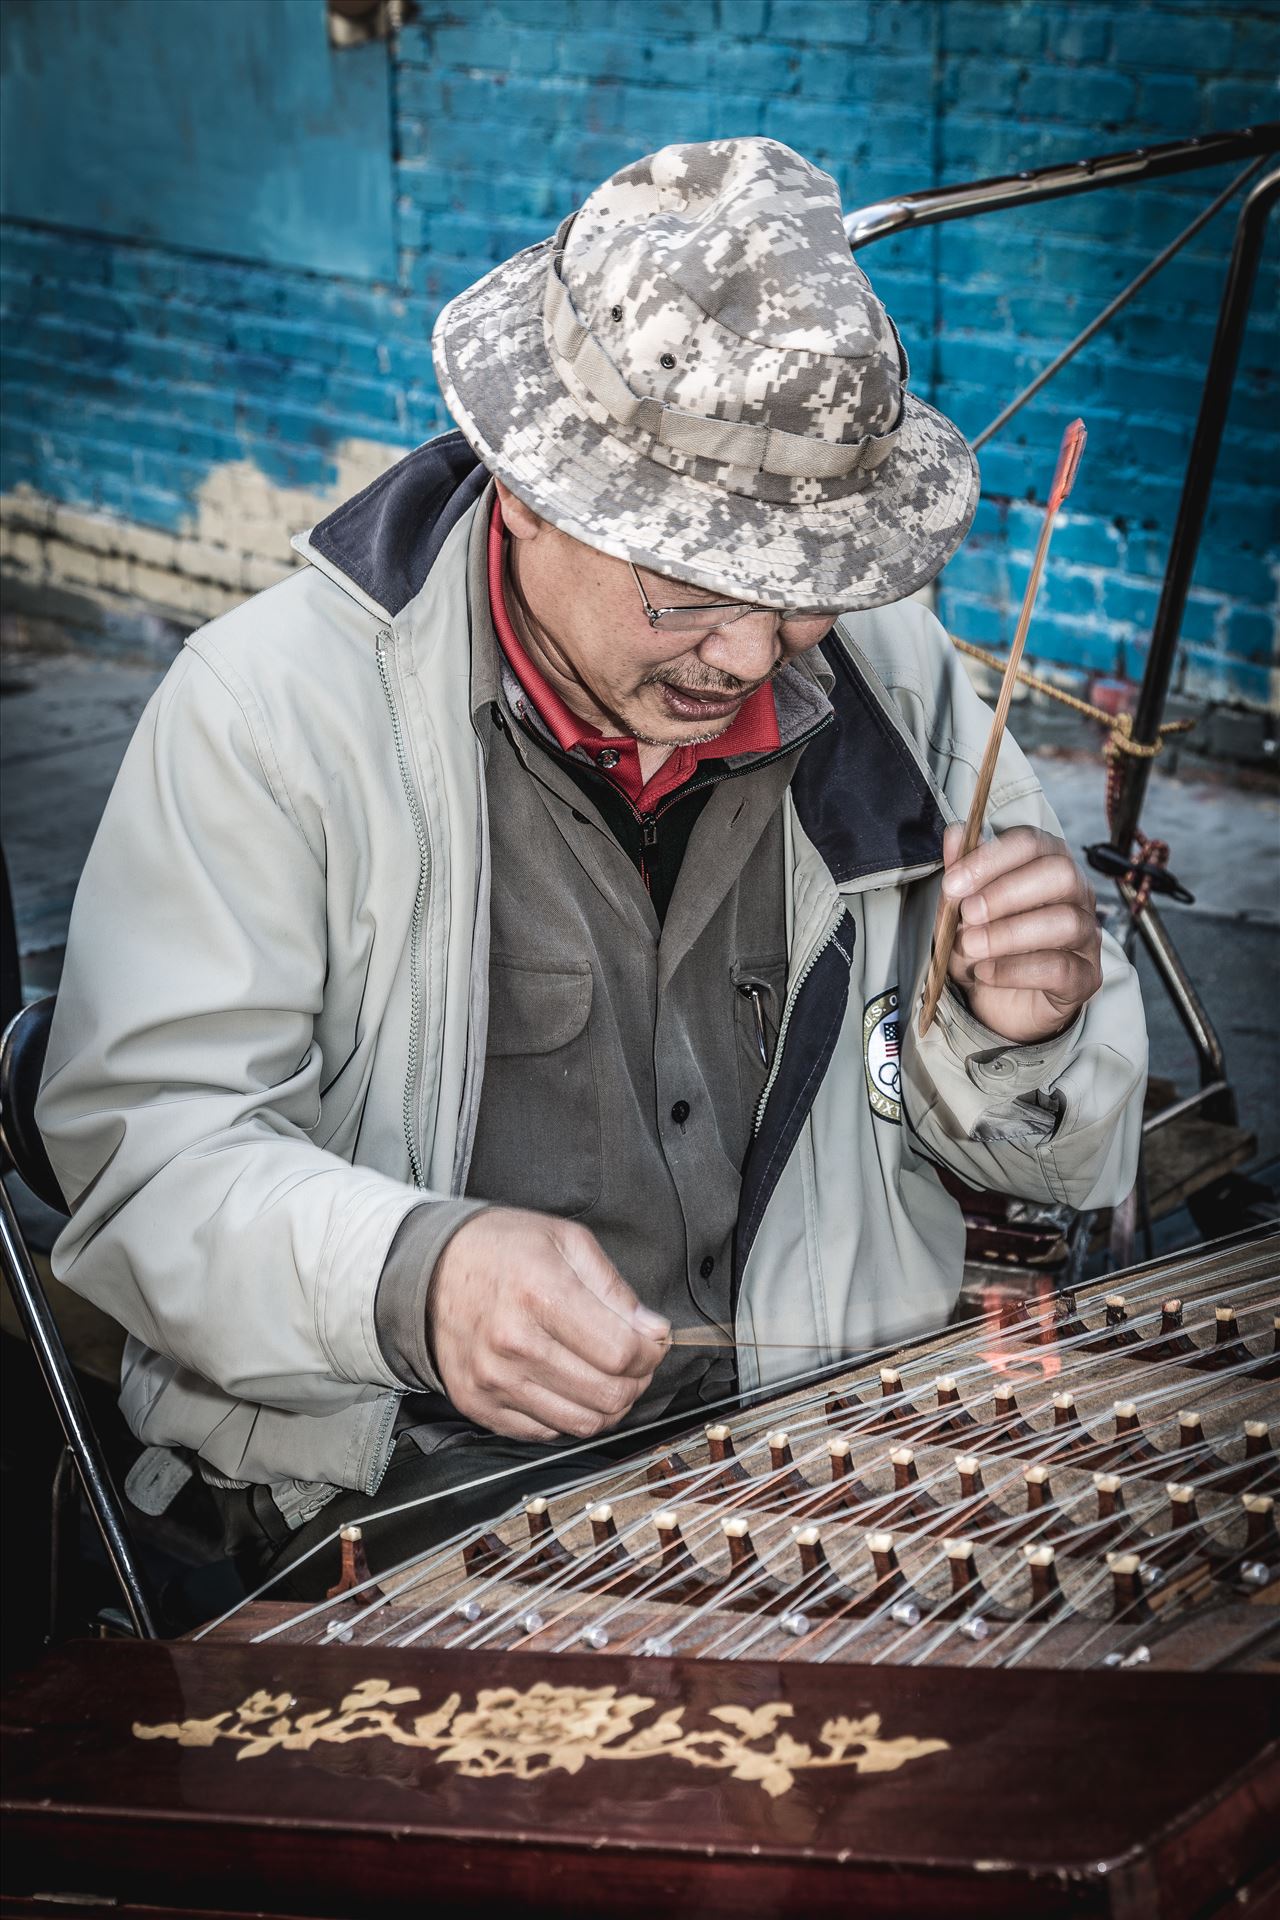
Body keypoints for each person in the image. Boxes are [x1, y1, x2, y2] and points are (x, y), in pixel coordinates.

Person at [37, 139, 1146, 1596]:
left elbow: (1059, 1162)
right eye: (690, 590)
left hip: (826, 1470)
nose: (750, 656)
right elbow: (148, 1162)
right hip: (406, 1518)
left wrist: (1032, 1034)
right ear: (534, 489)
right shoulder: (272, 715)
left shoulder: (906, 691)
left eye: (802, 594)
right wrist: (411, 1280)